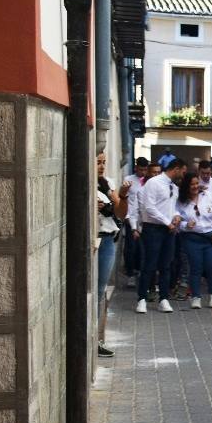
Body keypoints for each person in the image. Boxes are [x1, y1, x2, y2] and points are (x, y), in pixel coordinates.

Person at [136, 158, 187, 313]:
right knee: (149, 264)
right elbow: (149, 207)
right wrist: (167, 222)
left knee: (166, 265)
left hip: (168, 230)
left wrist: (177, 216)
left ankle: (164, 298)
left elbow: (172, 207)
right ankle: (142, 298)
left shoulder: (174, 187)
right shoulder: (154, 183)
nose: (183, 175)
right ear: (176, 168)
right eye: (183, 171)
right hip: (153, 228)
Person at [96, 152, 131, 356]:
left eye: (104, 162)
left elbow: (121, 213)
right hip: (95, 238)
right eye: (98, 162)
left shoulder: (106, 184)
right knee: (95, 291)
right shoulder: (87, 182)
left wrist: (123, 196)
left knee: (100, 291)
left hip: (108, 239)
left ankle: (98, 338)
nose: (101, 166)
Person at [175, 173, 212, 308]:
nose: (195, 186)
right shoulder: (180, 201)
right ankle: (196, 297)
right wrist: (185, 225)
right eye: (192, 184)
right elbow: (176, 220)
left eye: (197, 183)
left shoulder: (208, 196)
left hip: (210, 237)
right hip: (192, 238)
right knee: (195, 268)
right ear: (186, 186)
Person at [121, 157, 148, 287]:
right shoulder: (128, 180)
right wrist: (126, 215)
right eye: (141, 169)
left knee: (143, 249)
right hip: (130, 217)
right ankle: (130, 274)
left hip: (144, 219)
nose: (143, 172)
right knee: (131, 248)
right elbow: (124, 198)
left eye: (145, 170)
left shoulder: (148, 182)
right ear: (136, 167)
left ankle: (140, 271)